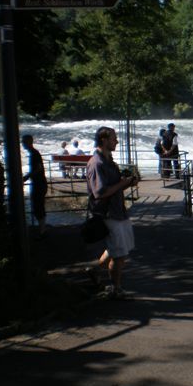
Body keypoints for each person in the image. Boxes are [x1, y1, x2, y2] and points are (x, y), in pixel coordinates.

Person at [85, 126, 138, 300]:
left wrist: (128, 182)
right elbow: (100, 193)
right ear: (104, 140)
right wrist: (123, 183)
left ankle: (94, 270)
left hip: (118, 211)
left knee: (119, 249)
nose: (117, 141)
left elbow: (114, 188)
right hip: (108, 214)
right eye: (114, 138)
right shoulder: (97, 163)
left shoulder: (109, 161)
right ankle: (116, 289)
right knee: (119, 254)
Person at [21, 135, 48, 239]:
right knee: (39, 207)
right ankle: (42, 230)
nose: (22, 144)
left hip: (39, 184)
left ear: (29, 142)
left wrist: (27, 176)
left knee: (38, 207)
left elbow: (38, 168)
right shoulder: (34, 153)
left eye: (23, 142)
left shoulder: (34, 154)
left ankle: (42, 231)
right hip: (40, 184)